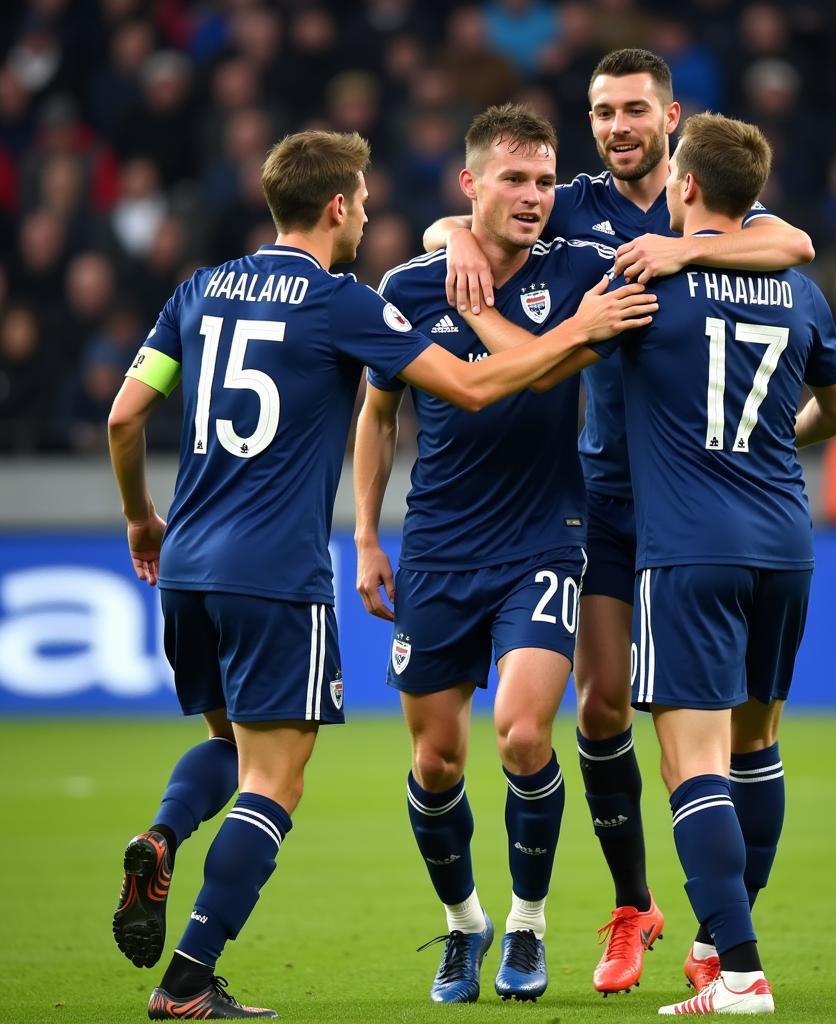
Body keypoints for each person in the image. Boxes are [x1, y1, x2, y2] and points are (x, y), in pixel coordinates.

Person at [106, 128, 648, 1021]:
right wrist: (365, 536)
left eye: (546, 179)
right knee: (292, 779)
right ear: (336, 207)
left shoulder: (195, 293)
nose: (367, 214)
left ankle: (166, 837)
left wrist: (139, 516)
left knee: (248, 750)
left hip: (194, 563)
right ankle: (192, 979)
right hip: (296, 568)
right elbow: (454, 393)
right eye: (359, 201)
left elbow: (126, 417)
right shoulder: (354, 300)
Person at [425, 47, 815, 996]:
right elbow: (463, 214)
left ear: (670, 119)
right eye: (602, 112)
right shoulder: (574, 204)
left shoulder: (716, 205)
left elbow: (794, 244)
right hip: (603, 496)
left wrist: (686, 248)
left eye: (634, 109)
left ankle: (728, 940)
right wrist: (459, 240)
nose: (616, 127)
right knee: (601, 706)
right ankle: (636, 907)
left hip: (704, 505)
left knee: (740, 732)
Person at [353, 103, 657, 1006]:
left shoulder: (582, 273)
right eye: (513, 180)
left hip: (545, 538)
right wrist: (367, 534)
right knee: (435, 761)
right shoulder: (408, 287)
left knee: (525, 731)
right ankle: (464, 928)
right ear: (470, 184)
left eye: (544, 181)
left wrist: (502, 309)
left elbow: (547, 365)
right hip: (439, 545)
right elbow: (377, 414)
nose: (532, 197)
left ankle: (527, 924)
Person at [597, 112, 836, 1014]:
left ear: (688, 187)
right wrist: (770, 441)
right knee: (757, 748)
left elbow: (556, 367)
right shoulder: (802, 292)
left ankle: (742, 973)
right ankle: (714, 947)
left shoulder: (645, 279)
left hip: (689, 550)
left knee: (691, 764)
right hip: (785, 541)